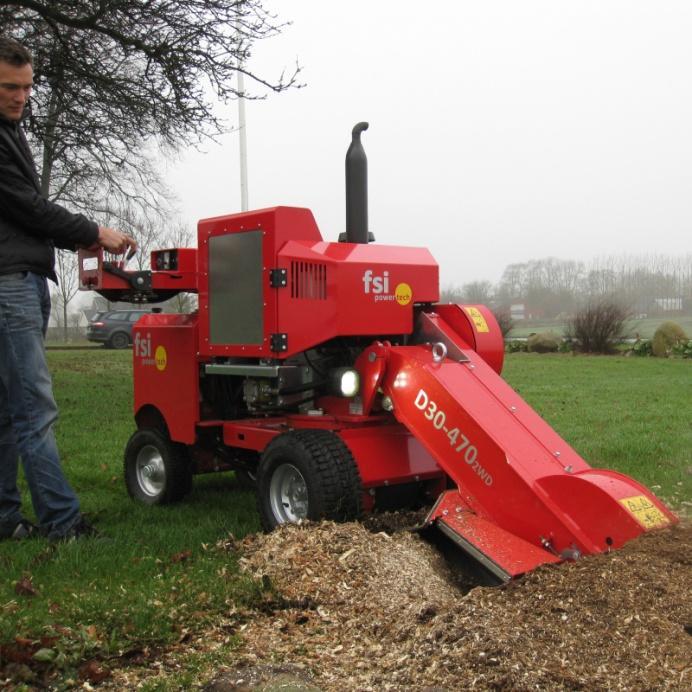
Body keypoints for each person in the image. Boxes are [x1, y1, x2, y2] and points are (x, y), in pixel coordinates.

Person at [0, 36, 137, 541]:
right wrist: (92, 232)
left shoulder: (11, 131)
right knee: (35, 410)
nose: (20, 97)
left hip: (19, 276)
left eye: (27, 87)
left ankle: (5, 519)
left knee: (7, 413)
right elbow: (28, 207)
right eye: (9, 87)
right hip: (9, 286)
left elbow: (23, 215)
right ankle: (61, 523)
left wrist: (72, 239)